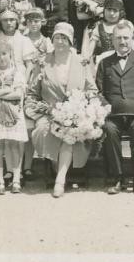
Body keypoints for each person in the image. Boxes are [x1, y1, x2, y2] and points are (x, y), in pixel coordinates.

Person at [25, 22, 100, 198]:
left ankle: (60, 179)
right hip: (49, 113)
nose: (60, 41)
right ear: (52, 40)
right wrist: (41, 110)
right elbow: (32, 93)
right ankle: (57, 167)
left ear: (71, 41)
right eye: (57, 37)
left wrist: (83, 107)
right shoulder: (43, 62)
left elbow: (92, 89)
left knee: (71, 131)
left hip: (75, 114)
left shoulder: (81, 62)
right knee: (44, 129)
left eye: (64, 38)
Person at [96, 20, 134, 196]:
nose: (122, 42)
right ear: (112, 40)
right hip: (113, 113)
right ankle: (117, 177)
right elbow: (98, 91)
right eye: (118, 38)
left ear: (132, 38)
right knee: (109, 129)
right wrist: (105, 106)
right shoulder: (104, 63)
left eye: (126, 38)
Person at [0, 39, 29, 194]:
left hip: (14, 113)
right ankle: (0, 181)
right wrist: (7, 90)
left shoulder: (17, 73)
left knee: (14, 145)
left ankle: (16, 179)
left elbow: (18, 94)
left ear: (10, 54)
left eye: (4, 54)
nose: (1, 58)